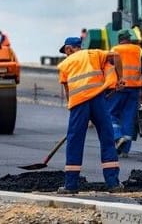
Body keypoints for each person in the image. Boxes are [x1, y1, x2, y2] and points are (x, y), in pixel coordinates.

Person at [56, 36, 125, 194]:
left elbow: (68, 93)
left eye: (65, 52)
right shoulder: (94, 54)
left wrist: (74, 113)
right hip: (98, 100)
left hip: (79, 103)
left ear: (68, 49)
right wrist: (120, 79)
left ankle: (71, 185)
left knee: (75, 140)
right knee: (107, 137)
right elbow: (116, 56)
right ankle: (113, 183)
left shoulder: (65, 65)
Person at [107, 30, 142, 158]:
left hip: (117, 88)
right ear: (129, 39)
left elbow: (108, 70)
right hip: (134, 89)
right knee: (129, 117)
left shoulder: (114, 50)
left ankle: (117, 136)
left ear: (119, 39)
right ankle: (125, 150)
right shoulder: (138, 50)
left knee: (111, 114)